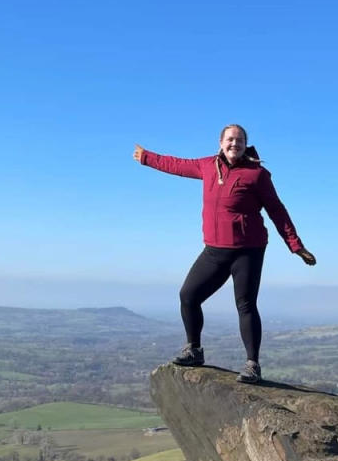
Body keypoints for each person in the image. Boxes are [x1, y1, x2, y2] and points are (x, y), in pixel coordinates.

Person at [133, 125, 316, 383]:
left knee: (245, 305)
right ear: (220, 142)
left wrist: (296, 246)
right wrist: (146, 157)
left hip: (248, 251)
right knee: (188, 295)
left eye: (239, 140)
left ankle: (252, 364)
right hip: (215, 250)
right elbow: (176, 164)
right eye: (230, 139)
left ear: (245, 145)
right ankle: (194, 350)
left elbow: (277, 209)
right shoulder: (207, 166)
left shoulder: (257, 175)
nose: (234, 144)